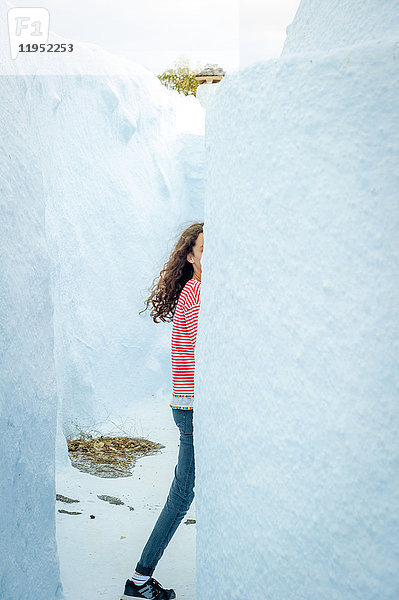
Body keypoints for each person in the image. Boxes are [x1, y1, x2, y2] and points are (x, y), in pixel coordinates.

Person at [120, 222, 204, 600]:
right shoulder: (198, 293)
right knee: (182, 494)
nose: (211, 256)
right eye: (204, 249)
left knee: (184, 491)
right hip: (192, 408)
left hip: (187, 405)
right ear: (190, 256)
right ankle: (139, 581)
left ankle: (140, 579)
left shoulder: (191, 290)